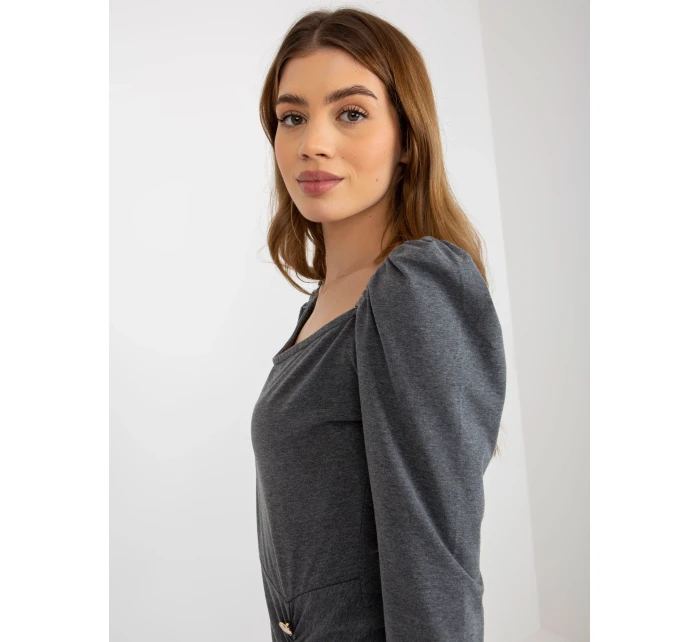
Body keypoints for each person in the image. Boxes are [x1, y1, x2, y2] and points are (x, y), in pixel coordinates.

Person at [251, 8, 507, 641]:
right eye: (292, 117)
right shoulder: (325, 303)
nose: (313, 142)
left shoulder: (413, 286)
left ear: (408, 138)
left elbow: (436, 559)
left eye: (351, 113)